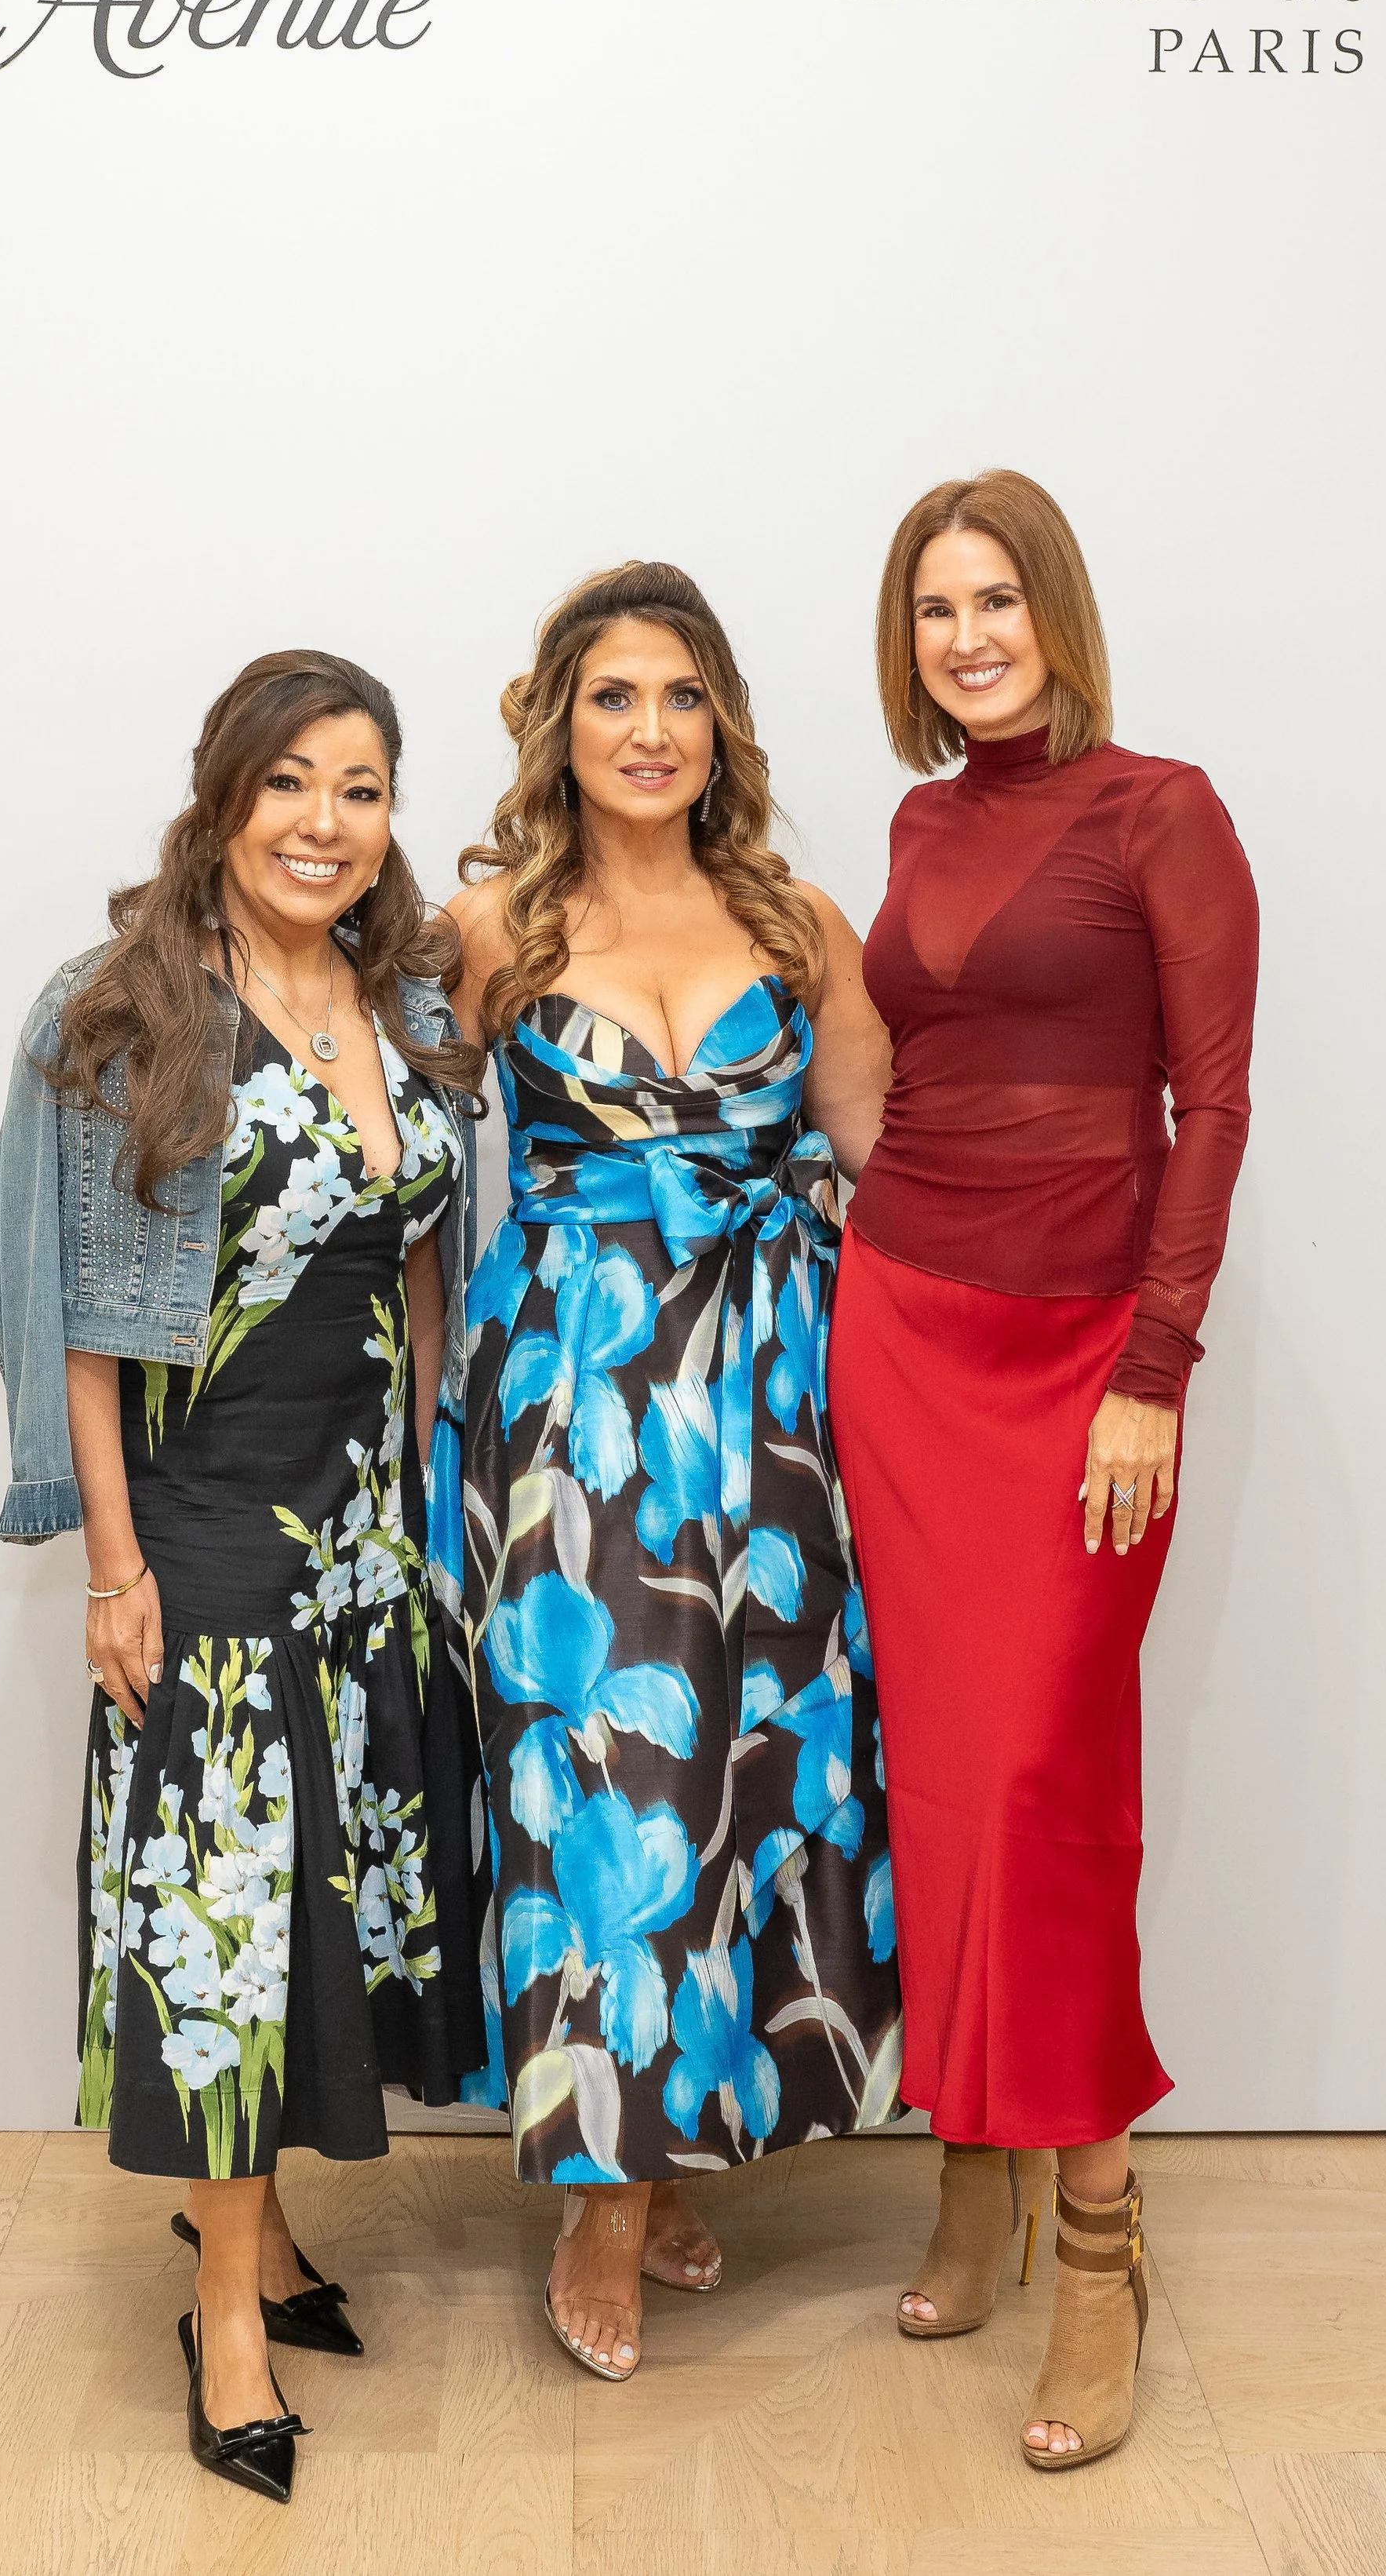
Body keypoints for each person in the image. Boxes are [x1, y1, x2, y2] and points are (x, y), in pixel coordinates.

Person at [0, 650, 489, 2505]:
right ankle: (223, 2323)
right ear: (222, 794)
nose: (323, 824)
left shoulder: (410, 994)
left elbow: (423, 1268)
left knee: (310, 1906)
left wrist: (443, 1518)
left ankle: (260, 2237)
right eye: (290, 784)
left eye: (359, 789)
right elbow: (79, 1325)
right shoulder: (129, 1008)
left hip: (365, 1530)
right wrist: (110, 1561)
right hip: (202, 1529)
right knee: (220, 1928)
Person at [828, 472, 1260, 2469]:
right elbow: (886, 1073)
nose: (965, 636)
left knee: (1040, 1782)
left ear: (1056, 611)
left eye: (994, 599)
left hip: (1083, 1354)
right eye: (933, 611)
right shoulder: (921, 821)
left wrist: (1149, 1369)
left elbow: (1213, 1100)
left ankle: (1100, 2246)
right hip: (902, 1329)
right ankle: (973, 2168)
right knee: (932, 1769)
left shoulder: (1158, 809)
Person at [445, 563, 901, 2384]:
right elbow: (384, 1148)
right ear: (558, 721)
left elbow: (884, 1153)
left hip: (775, 1387)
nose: (647, 730)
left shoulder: (797, 920)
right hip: (571, 1382)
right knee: (598, 1758)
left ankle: (677, 2130)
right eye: (613, 696)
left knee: (750, 1751)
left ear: (721, 728)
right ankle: (606, 2191)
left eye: (680, 696)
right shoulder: (485, 928)